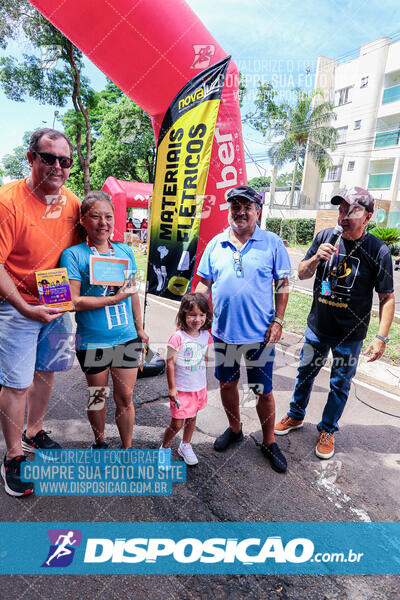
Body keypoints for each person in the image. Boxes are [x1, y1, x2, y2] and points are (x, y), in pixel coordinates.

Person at [275, 187, 394, 459]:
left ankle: (327, 429)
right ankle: (295, 415)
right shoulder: (325, 237)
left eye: (351, 211)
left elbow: (387, 297)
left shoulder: (379, 251)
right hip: (318, 327)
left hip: (349, 336)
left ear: (368, 217)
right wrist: (317, 257)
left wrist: (381, 337)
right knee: (305, 375)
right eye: (340, 210)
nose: (343, 216)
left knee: (339, 384)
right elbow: (302, 274)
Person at [0, 128, 80, 497]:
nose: (58, 167)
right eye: (49, 158)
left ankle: (34, 431)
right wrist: (23, 306)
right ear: (31, 158)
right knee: (17, 383)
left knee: (47, 370)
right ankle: (13, 456)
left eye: (65, 161)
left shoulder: (72, 202)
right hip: (16, 303)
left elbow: (87, 251)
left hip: (56, 300)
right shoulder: (8, 201)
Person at [196, 185, 291, 473]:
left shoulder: (272, 243)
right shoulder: (215, 244)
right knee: (227, 384)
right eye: (234, 206)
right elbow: (204, 283)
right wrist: (196, 318)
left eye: (246, 206)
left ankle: (269, 440)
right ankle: (235, 429)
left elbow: (283, 285)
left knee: (263, 390)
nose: (240, 211)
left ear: (257, 210)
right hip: (224, 335)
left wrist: (279, 321)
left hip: (260, 336)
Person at [60, 191, 149, 450]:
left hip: (126, 338)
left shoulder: (124, 251)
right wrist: (111, 299)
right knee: (97, 397)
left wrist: (140, 328)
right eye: (95, 216)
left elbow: (132, 294)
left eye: (108, 216)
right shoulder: (73, 255)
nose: (103, 222)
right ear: (83, 221)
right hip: (93, 342)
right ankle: (100, 441)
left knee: (126, 397)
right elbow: (74, 300)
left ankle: (127, 448)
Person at [160, 293, 213, 465]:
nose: (197, 319)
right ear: (183, 314)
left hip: (198, 388)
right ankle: (165, 448)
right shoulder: (177, 338)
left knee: (192, 418)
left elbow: (205, 359)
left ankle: (186, 445)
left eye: (201, 315)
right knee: (176, 424)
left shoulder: (206, 336)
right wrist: (172, 388)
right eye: (192, 314)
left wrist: (204, 383)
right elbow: (170, 364)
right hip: (182, 389)